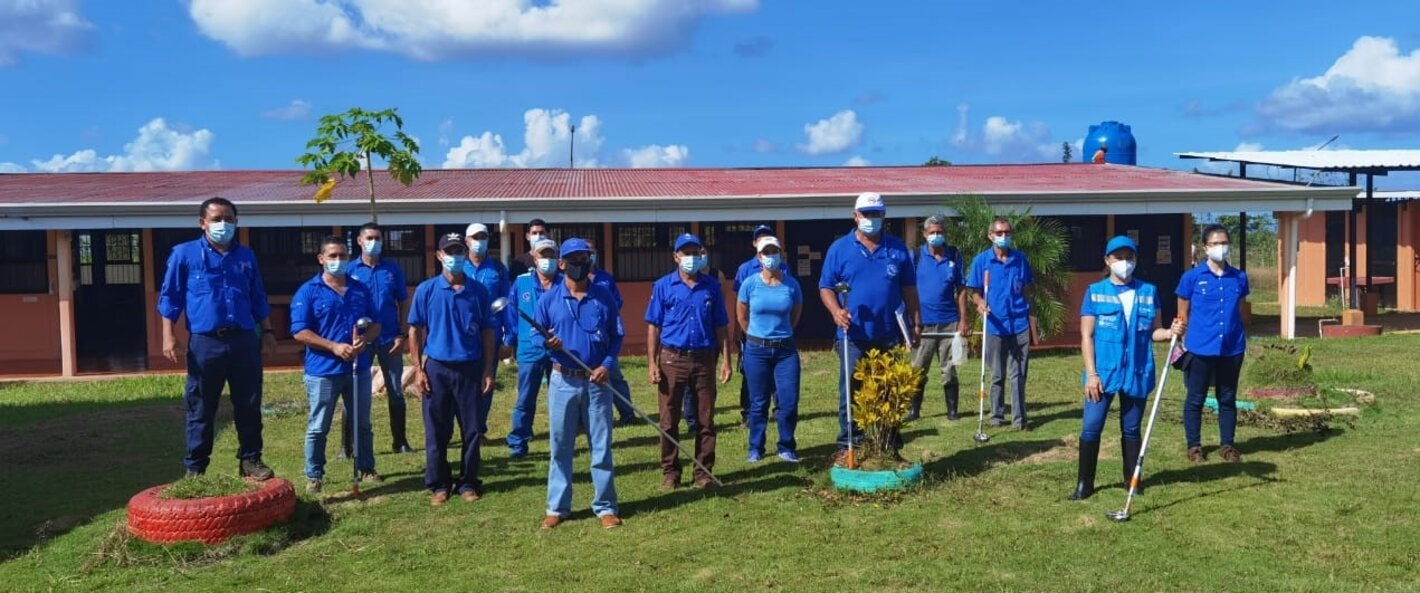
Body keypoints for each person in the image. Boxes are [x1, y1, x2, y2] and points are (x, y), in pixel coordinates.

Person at [158, 197, 278, 480]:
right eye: (216, 219)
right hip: (205, 343)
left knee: (248, 403)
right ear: (203, 223)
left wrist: (269, 332)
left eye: (229, 219)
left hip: (244, 340)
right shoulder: (184, 255)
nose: (223, 224)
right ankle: (195, 468)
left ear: (236, 223)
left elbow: (257, 296)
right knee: (201, 405)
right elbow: (170, 298)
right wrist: (168, 337)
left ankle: (250, 460)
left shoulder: (246, 256)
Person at [1072, 236, 1185, 500]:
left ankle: (1131, 481)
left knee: (1132, 429)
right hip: (1103, 373)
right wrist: (1091, 373)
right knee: (1091, 427)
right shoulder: (1095, 292)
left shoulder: (1148, 292)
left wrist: (1170, 332)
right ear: (1107, 261)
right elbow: (1086, 336)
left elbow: (1154, 331)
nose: (1124, 262)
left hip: (1137, 370)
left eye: (1129, 257)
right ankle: (1084, 485)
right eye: (1119, 257)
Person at [818, 192, 920, 459]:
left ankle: (888, 444)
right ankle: (848, 444)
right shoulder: (839, 249)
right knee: (851, 389)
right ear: (855, 216)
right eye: (866, 214)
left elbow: (909, 288)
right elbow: (826, 287)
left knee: (890, 389)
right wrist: (836, 311)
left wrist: (915, 321)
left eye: (876, 214)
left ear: (884, 216)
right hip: (852, 334)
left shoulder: (898, 249)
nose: (871, 219)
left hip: (890, 332)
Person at [535, 238, 624, 529]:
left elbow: (616, 336)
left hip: (596, 381)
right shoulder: (548, 299)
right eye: (572, 259)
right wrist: (550, 344)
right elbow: (539, 337)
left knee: (601, 446)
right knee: (560, 446)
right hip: (563, 380)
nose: (579, 264)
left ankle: (605, 506)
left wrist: (606, 366)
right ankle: (557, 507)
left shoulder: (603, 296)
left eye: (583, 258)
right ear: (561, 264)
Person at [407, 232, 497, 505]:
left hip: (470, 368)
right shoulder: (427, 290)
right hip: (437, 368)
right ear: (439, 256)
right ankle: (438, 484)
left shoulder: (478, 291)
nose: (455, 257)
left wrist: (488, 370)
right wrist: (417, 369)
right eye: (450, 252)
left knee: (471, 430)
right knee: (436, 430)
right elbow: (415, 329)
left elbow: (488, 332)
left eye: (459, 251)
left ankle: (468, 482)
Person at [291, 235, 382, 493]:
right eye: (332, 256)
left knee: (362, 422)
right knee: (319, 425)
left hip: (357, 368)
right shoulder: (308, 291)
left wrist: (364, 341)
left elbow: (375, 324)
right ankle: (315, 474)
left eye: (342, 255)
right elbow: (299, 331)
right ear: (321, 259)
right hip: (323, 371)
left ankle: (366, 467)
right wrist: (333, 346)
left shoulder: (359, 289)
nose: (338, 261)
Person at [645, 233, 732, 491]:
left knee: (705, 419)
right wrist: (652, 362)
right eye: (686, 253)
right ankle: (671, 472)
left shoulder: (711, 286)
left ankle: (703, 472)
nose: (691, 258)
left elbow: (721, 326)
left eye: (696, 253)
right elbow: (653, 326)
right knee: (669, 419)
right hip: (672, 359)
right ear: (676, 257)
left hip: (704, 359)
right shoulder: (662, 286)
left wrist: (726, 360)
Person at [1177, 224, 1249, 464]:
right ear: (1206, 247)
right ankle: (1194, 446)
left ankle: (1227, 445)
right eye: (1215, 243)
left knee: (1227, 398)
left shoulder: (1239, 277)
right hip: (1200, 347)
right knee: (1195, 398)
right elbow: (1183, 314)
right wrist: (1180, 339)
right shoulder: (1192, 278)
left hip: (1232, 347)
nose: (1221, 247)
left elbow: (1239, 309)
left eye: (1224, 243)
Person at [346, 222, 414, 454]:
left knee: (395, 390)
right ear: (359, 241)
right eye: (369, 238)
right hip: (360, 340)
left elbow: (404, 302)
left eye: (378, 238)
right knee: (354, 389)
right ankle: (348, 445)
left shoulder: (392, 270)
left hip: (389, 338)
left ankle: (400, 441)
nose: (374, 242)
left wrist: (402, 334)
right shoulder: (348, 270)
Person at [736, 235, 803, 463]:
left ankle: (786, 445)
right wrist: (755, 335)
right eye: (766, 252)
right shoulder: (750, 284)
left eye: (774, 252)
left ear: (780, 254)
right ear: (759, 256)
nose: (770, 256)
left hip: (785, 350)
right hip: (757, 350)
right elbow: (741, 315)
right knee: (758, 402)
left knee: (788, 401)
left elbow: (795, 313)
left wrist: (782, 332)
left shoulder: (791, 284)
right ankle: (756, 447)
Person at [967, 216, 1034, 431]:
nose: (1003, 237)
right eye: (999, 233)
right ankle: (996, 415)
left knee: (1019, 374)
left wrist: (1027, 312)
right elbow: (974, 293)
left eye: (1007, 233)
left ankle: (1019, 419)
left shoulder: (1020, 260)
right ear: (990, 236)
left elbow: (1026, 289)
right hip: (995, 325)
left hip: (1019, 324)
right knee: (997, 374)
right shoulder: (981, 261)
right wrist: (980, 304)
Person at [908, 215, 970, 421]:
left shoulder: (954, 255)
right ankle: (913, 410)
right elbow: (906, 288)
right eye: (932, 232)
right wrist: (913, 321)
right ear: (925, 234)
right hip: (923, 324)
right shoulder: (915, 256)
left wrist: (963, 319)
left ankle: (952, 411)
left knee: (949, 369)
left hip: (949, 322)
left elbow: (961, 289)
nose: (936, 236)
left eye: (940, 232)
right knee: (918, 368)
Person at [505, 238, 560, 458]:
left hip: (559, 349)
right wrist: (512, 339)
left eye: (551, 255)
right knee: (526, 398)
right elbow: (511, 314)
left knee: (559, 399)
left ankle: (560, 442)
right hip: (529, 349)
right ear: (534, 258)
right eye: (542, 255)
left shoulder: (565, 283)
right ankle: (518, 442)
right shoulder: (521, 282)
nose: (547, 260)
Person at [730, 224, 787, 425]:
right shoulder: (745, 269)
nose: (764, 240)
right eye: (760, 238)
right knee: (749, 372)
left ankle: (779, 410)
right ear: (755, 244)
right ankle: (748, 412)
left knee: (778, 372)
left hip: (777, 332)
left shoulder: (783, 267)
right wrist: (739, 330)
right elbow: (739, 303)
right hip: (752, 331)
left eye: (768, 237)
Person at [463, 223, 513, 444]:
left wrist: (508, 338)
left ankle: (478, 429)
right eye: (475, 237)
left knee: (486, 383)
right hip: (464, 339)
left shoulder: (499, 270)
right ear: (467, 241)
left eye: (483, 237)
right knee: (465, 385)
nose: (479, 241)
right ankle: (466, 428)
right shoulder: (458, 268)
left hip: (491, 337)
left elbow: (508, 304)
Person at [587, 244, 637, 425]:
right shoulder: (570, 279)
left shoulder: (605, 278)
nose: (590, 256)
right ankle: (581, 418)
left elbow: (617, 302)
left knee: (614, 375)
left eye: (592, 252)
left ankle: (627, 413)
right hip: (584, 338)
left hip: (605, 336)